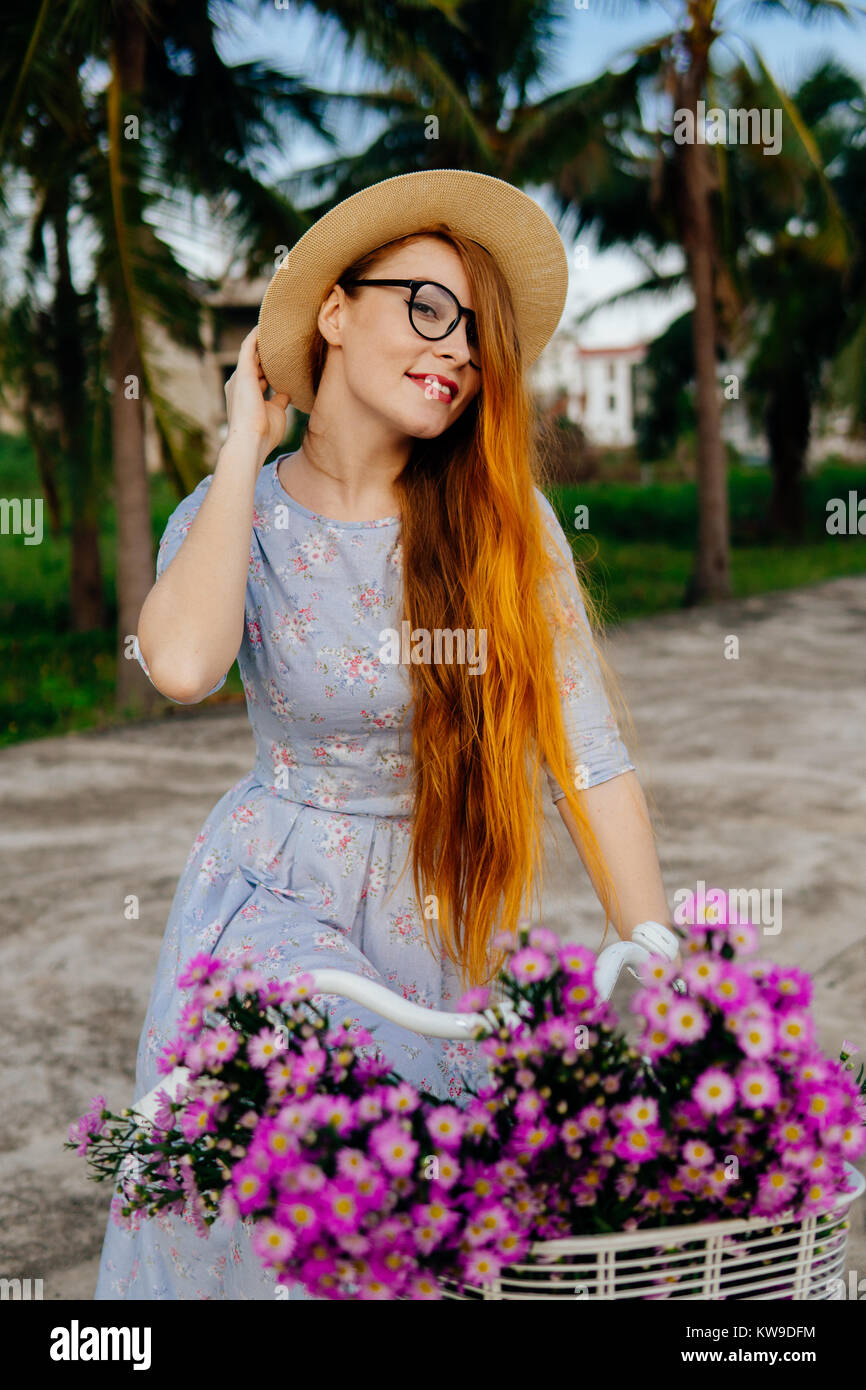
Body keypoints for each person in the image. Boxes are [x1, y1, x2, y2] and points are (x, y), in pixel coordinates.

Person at [93, 169, 673, 1299]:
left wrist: (661, 963)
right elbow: (180, 664)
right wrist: (238, 449)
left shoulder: (500, 524)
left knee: (416, 1222)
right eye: (426, 308)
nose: (456, 349)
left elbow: (586, 758)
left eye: (475, 334)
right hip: (267, 891)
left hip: (440, 903)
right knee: (275, 1168)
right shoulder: (234, 516)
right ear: (333, 310)